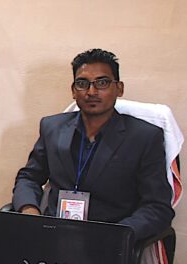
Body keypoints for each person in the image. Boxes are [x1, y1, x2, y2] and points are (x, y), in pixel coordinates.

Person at [11, 49, 174, 241]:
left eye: (102, 83)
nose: (91, 92)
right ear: (73, 91)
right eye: (82, 84)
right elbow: (29, 177)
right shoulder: (52, 128)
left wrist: (118, 235)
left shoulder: (144, 137)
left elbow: (157, 206)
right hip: (53, 236)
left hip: (108, 242)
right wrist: (29, 210)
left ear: (119, 88)